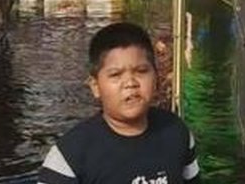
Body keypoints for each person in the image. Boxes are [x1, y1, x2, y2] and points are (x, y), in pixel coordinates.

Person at [37, 22, 200, 184]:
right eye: (115, 75)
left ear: (156, 77)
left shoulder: (177, 132)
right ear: (95, 87)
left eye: (141, 71)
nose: (130, 83)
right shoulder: (70, 155)